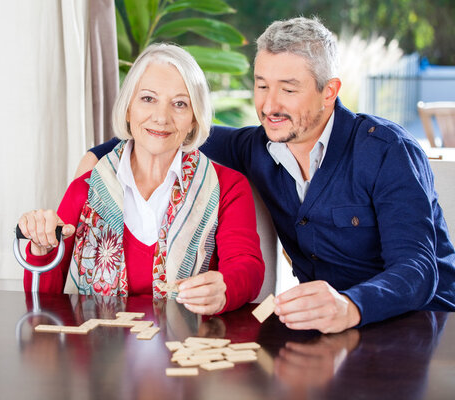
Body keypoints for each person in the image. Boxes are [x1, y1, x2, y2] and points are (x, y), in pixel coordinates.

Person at [85, 17, 455, 332]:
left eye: (288, 89)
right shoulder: (255, 147)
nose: (269, 105)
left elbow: (417, 269)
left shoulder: (388, 150)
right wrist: (95, 158)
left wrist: (348, 307)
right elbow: (174, 130)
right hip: (326, 333)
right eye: (262, 85)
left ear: (329, 92)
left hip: (426, 327)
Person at [18, 43, 265, 315]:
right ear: (128, 109)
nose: (161, 117)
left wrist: (225, 289)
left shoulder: (229, 188)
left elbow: (247, 268)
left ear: (194, 120)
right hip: (96, 355)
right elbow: (43, 302)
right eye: (148, 99)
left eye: (180, 104)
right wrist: (41, 249)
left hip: (188, 351)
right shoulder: (84, 190)